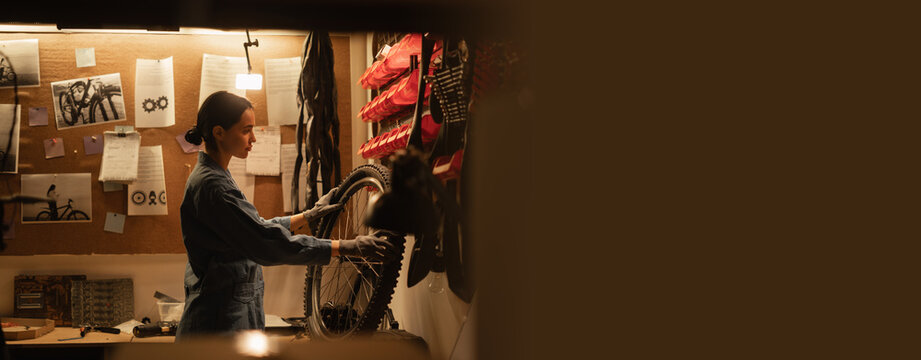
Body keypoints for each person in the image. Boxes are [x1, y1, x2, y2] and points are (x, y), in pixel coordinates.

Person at [176, 91, 400, 340]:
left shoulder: (216, 176)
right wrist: (348, 247)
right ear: (219, 132)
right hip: (217, 328)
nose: (253, 138)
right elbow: (264, 243)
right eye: (246, 130)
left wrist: (309, 215)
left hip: (225, 318)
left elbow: (253, 228)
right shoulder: (213, 186)